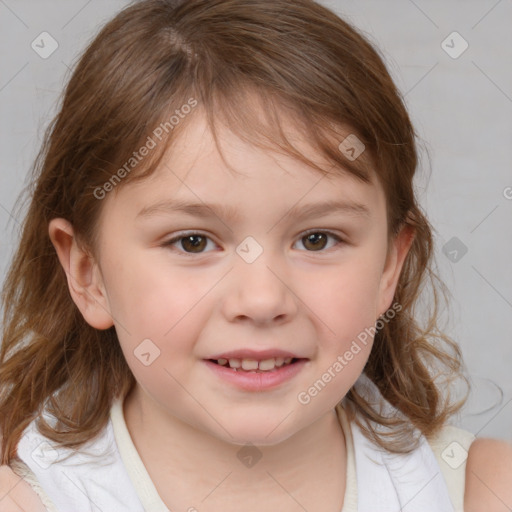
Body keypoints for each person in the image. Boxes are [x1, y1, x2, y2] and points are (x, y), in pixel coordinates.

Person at [0, 0, 510, 511]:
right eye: (193, 242)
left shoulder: (484, 492)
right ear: (89, 275)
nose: (262, 299)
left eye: (317, 239)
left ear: (388, 268)